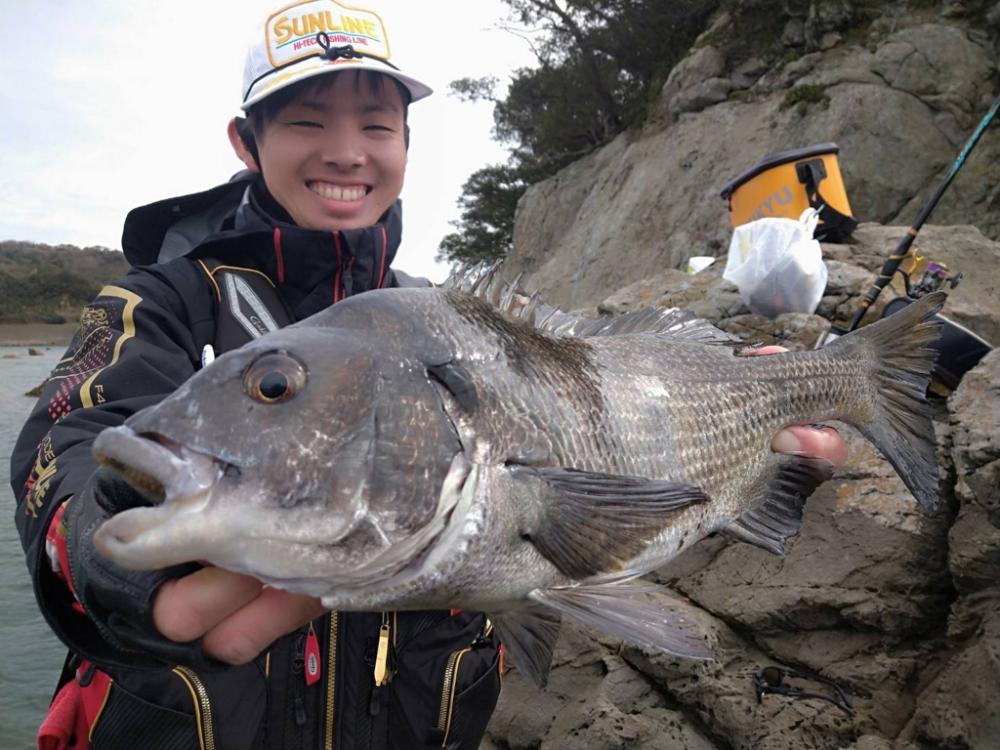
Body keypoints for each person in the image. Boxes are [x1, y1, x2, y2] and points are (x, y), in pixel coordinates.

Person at [11, 1, 848, 748]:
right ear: (246, 141)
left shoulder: (447, 324)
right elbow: (67, 449)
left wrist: (748, 468)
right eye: (306, 121)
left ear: (407, 145)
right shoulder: (156, 305)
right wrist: (101, 551)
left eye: (377, 127)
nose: (346, 152)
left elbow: (604, 511)